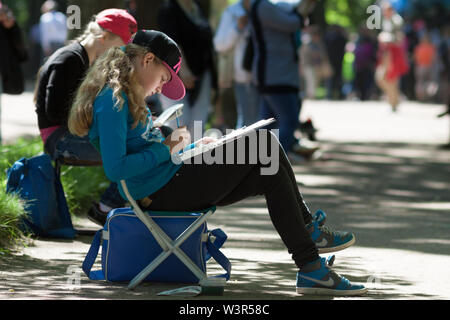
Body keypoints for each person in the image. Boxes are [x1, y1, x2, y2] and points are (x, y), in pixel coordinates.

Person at [67, 29, 367, 296]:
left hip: (171, 178)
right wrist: (169, 149)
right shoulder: (112, 100)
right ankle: (310, 240)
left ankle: (311, 265)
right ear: (147, 60)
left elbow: (154, 151)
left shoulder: (128, 97)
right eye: (163, 79)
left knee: (269, 161)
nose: (160, 88)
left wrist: (196, 147)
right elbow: (116, 169)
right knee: (263, 145)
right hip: (158, 193)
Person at [34, 9, 138, 225]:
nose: (120, 53)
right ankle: (107, 206)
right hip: (60, 140)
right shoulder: (69, 59)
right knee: (134, 150)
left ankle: (117, 205)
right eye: (119, 46)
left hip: (70, 135)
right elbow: (55, 112)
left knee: (137, 144)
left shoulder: (82, 59)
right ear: (104, 37)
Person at [248, 0, 320, 160]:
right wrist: (303, 10)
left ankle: (259, 169)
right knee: (289, 121)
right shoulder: (262, 6)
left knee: (267, 126)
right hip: (274, 75)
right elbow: (292, 23)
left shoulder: (269, 6)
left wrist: (306, 6)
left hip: (278, 75)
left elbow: (292, 13)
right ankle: (268, 166)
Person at [157, 0, 217, 135]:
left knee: (197, 125)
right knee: (178, 124)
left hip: (203, 74)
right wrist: (183, 71)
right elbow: (171, 42)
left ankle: (195, 155)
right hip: (174, 75)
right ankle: (175, 156)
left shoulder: (197, 7)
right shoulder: (168, 9)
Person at [213, 0, 260, 129]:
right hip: (241, 77)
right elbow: (219, 44)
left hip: (264, 76)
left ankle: (256, 148)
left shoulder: (264, 7)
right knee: (247, 120)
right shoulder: (233, 12)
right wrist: (237, 27)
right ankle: (243, 148)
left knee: (258, 119)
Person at [375, 0, 409, 112]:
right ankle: (394, 99)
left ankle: (394, 102)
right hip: (386, 53)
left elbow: (400, 39)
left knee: (391, 78)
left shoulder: (397, 20)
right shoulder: (386, 20)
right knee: (381, 78)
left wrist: (386, 38)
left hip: (393, 54)